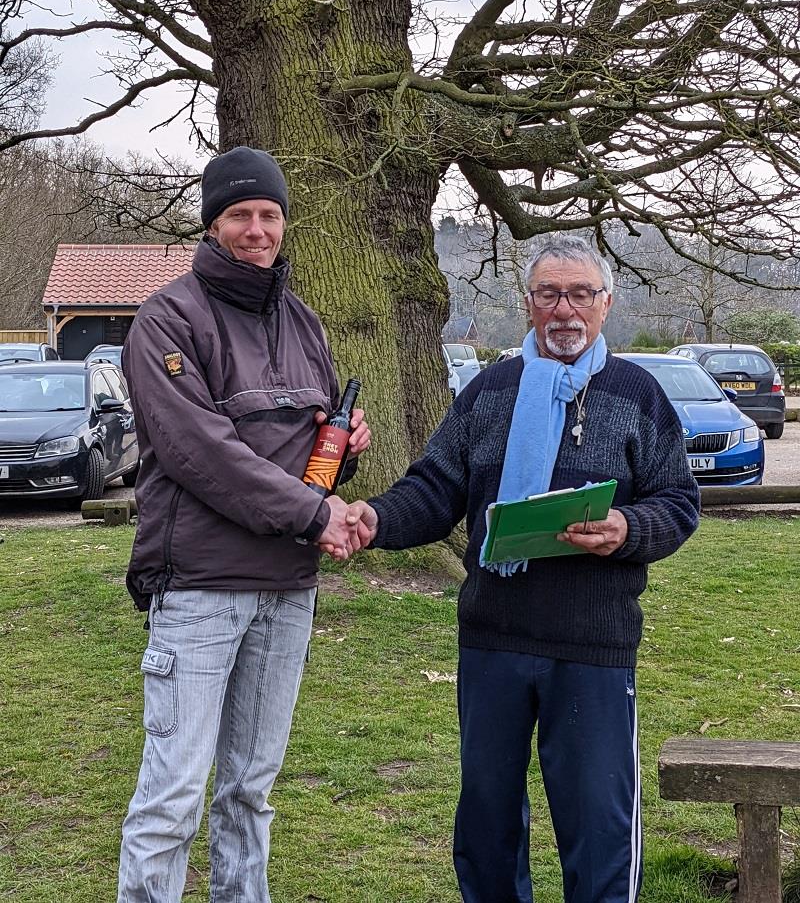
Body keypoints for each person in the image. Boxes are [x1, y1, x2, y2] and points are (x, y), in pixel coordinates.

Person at [346, 235, 700, 903]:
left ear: (606, 303)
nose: (564, 310)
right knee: (486, 829)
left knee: (599, 830)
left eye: (579, 295)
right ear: (528, 303)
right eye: (548, 294)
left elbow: (678, 503)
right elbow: (436, 486)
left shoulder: (639, 394)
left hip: (592, 646)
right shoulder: (490, 392)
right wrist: (377, 520)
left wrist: (627, 527)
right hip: (495, 639)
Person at [117, 145, 371, 903]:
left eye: (269, 214)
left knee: (250, 793)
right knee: (172, 802)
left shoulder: (304, 320)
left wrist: (344, 452)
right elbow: (204, 454)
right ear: (212, 224)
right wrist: (316, 513)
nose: (257, 229)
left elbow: (308, 452)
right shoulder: (167, 318)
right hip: (199, 587)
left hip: (287, 586)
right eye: (240, 215)